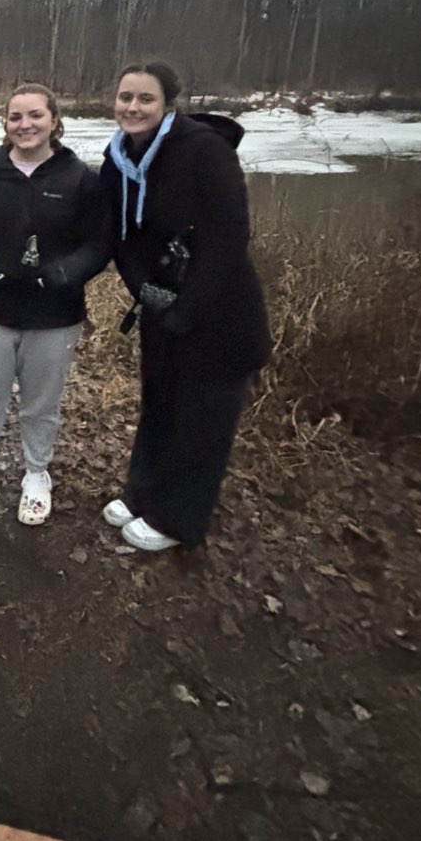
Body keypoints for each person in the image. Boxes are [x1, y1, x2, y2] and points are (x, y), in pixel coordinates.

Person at [99, 62, 271, 552]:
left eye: (145, 99)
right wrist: (144, 290)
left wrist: (189, 307)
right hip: (161, 305)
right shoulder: (118, 158)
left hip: (220, 313)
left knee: (202, 421)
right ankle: (143, 495)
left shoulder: (204, 152)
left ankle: (179, 521)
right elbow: (121, 236)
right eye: (125, 97)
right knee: (160, 405)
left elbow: (229, 235)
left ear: (168, 104)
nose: (133, 107)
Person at [0, 84, 108, 524]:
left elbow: (99, 242)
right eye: (15, 117)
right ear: (5, 124)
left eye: (35, 115)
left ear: (54, 120)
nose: (25, 125)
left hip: (55, 315)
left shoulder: (79, 179)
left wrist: (64, 272)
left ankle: (36, 473)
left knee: (41, 402)